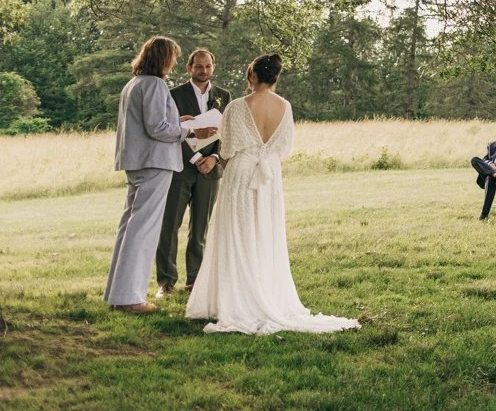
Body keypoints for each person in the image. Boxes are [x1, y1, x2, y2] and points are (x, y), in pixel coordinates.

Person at [185, 53, 358, 334]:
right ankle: (264, 291)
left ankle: (237, 299)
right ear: (275, 78)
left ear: (252, 76)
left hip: (242, 173)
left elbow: (226, 150)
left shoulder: (238, 106)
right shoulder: (285, 107)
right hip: (268, 177)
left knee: (237, 233)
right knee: (264, 233)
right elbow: (284, 147)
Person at [104, 37, 218, 314]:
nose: (175, 62)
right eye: (174, 58)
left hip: (137, 162)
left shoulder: (134, 83)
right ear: (162, 58)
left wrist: (181, 122)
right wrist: (190, 131)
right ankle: (130, 298)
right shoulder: (154, 85)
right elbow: (156, 127)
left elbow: (152, 123)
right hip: (154, 162)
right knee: (142, 230)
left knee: (129, 227)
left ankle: (117, 292)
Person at [155, 47, 232, 297]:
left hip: (210, 171)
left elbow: (228, 132)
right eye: (198, 66)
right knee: (170, 226)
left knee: (200, 228)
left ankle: (195, 280)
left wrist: (213, 158)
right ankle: (166, 282)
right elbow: (170, 131)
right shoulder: (173, 94)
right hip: (181, 168)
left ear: (213, 66)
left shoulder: (224, 95)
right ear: (189, 68)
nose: (203, 71)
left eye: (208, 66)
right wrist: (197, 157)